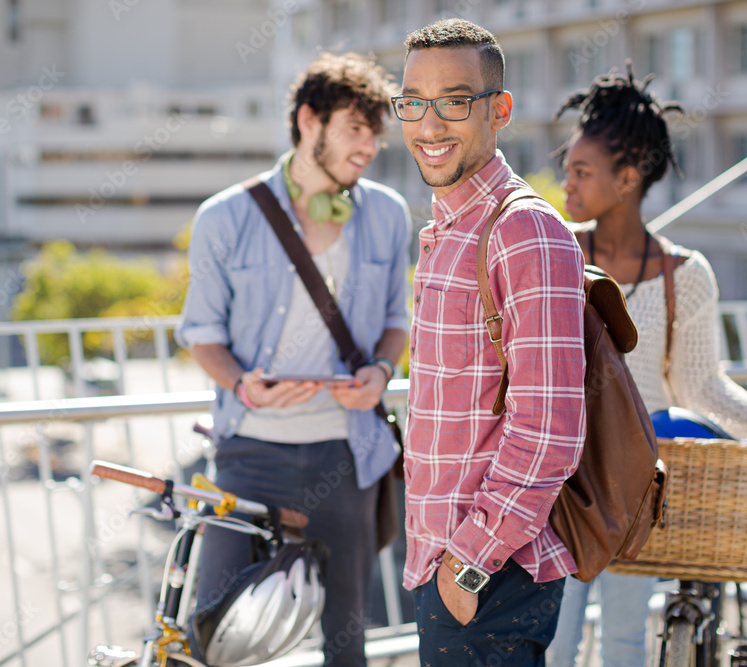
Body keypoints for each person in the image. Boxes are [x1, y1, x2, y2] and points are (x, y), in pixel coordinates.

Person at [545, 65, 747, 667]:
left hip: (635, 481)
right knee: (553, 645)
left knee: (624, 642)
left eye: (580, 172)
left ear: (626, 178)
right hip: (559, 479)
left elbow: (700, 386)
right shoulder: (553, 254)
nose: (564, 183)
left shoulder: (687, 276)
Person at [175, 51, 411, 667]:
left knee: (345, 644)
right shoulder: (225, 216)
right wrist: (243, 385)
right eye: (355, 129)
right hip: (249, 453)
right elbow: (201, 334)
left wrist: (381, 372)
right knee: (216, 636)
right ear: (310, 121)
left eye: (375, 133)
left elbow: (394, 323)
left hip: (346, 451)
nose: (369, 146)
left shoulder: (387, 213)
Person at [395, 19, 586, 666]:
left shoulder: (524, 229)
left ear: (498, 109)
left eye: (454, 100)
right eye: (413, 101)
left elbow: (550, 430)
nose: (429, 123)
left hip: (488, 577)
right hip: (443, 565)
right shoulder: (448, 224)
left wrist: (466, 565)